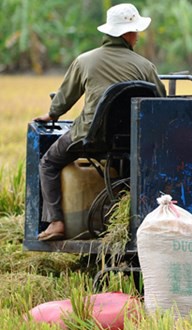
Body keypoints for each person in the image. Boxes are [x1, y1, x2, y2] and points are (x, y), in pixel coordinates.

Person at [33, 3, 166, 241]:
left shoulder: (85, 61)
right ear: (127, 34)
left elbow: (65, 98)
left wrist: (52, 115)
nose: (137, 37)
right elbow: (162, 102)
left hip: (89, 137)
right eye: (135, 31)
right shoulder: (146, 67)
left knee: (49, 163)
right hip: (131, 142)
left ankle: (56, 222)